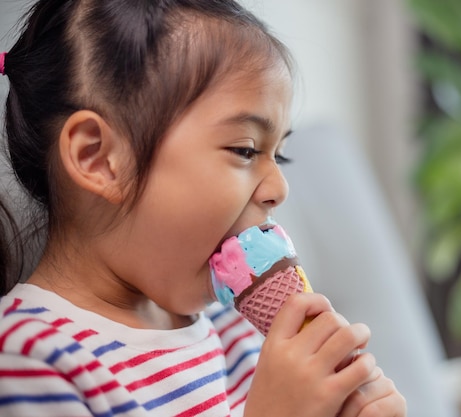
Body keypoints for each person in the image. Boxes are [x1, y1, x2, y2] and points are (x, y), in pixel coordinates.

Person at [0, 1, 407, 417]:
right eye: (245, 149)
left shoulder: (235, 331)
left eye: (278, 157)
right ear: (99, 159)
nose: (279, 189)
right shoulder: (31, 359)